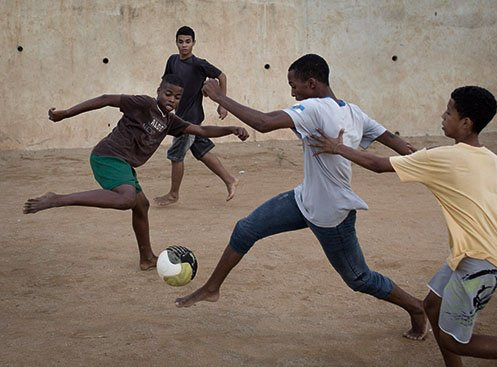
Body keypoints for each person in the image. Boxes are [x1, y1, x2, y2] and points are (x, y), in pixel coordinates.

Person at [175, 54, 429, 341]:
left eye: (293, 85)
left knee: (359, 279)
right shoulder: (354, 112)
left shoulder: (313, 107)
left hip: (332, 214)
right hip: (304, 199)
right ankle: (212, 288)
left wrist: (221, 97)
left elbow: (263, 122)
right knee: (245, 229)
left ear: (311, 83)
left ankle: (416, 307)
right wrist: (422, 157)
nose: (292, 92)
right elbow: (397, 143)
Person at [309, 86, 497, 365]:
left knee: (454, 340)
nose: (443, 115)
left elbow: (377, 164)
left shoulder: (444, 158)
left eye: (449, 111)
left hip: (480, 260)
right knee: (432, 306)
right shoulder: (489, 158)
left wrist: (338, 147)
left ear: (466, 123)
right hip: (473, 252)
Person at [23, 74, 249, 271]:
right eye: (168, 93)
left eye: (177, 97)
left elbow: (200, 129)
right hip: (107, 157)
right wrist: (65, 114)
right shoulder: (143, 104)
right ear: (158, 91)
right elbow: (105, 100)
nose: (172, 99)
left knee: (141, 205)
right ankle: (57, 199)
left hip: (123, 164)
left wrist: (230, 129)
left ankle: (147, 258)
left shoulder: (170, 121)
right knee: (127, 198)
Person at [154, 26, 237, 206]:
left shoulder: (199, 64)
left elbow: (222, 76)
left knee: (176, 155)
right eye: (181, 42)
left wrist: (222, 103)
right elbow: (166, 81)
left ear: (194, 43)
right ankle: (230, 180)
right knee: (201, 150)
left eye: (188, 42)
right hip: (179, 114)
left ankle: (173, 194)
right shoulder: (173, 60)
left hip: (190, 118)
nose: (184, 45)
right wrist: (159, 101)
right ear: (176, 42)